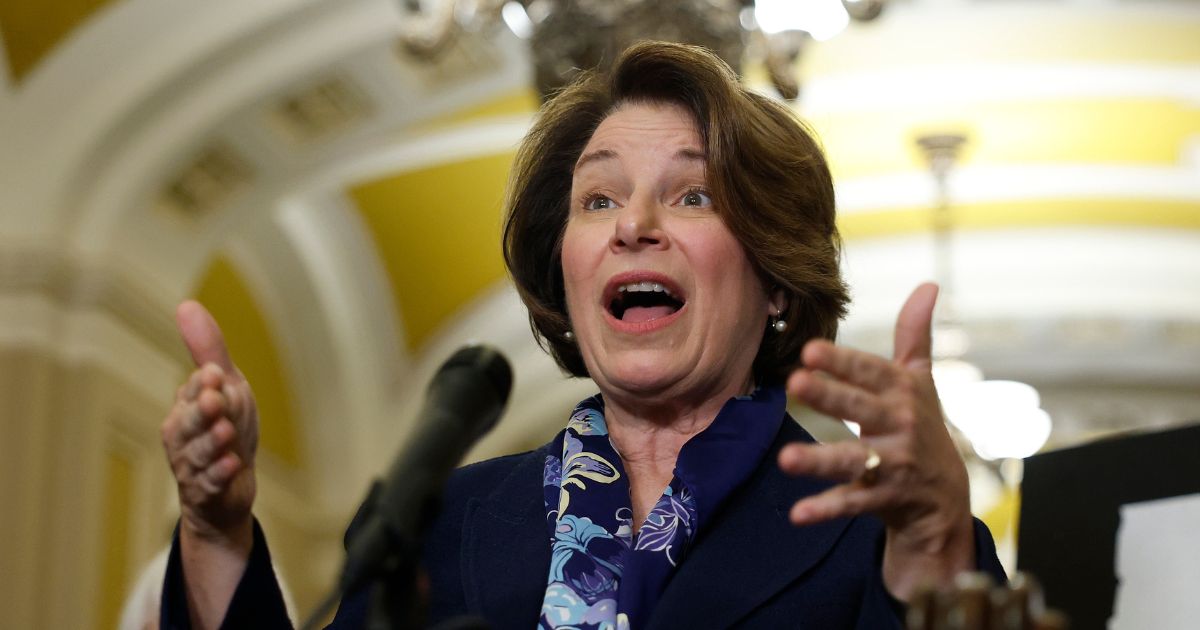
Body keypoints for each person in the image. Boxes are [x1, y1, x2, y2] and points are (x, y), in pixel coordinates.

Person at [159, 41, 1004, 629]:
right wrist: (215, 532)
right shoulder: (446, 521)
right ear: (565, 274)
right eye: (597, 199)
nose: (632, 224)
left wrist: (932, 549)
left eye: (692, 196)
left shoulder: (873, 532)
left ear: (776, 277)